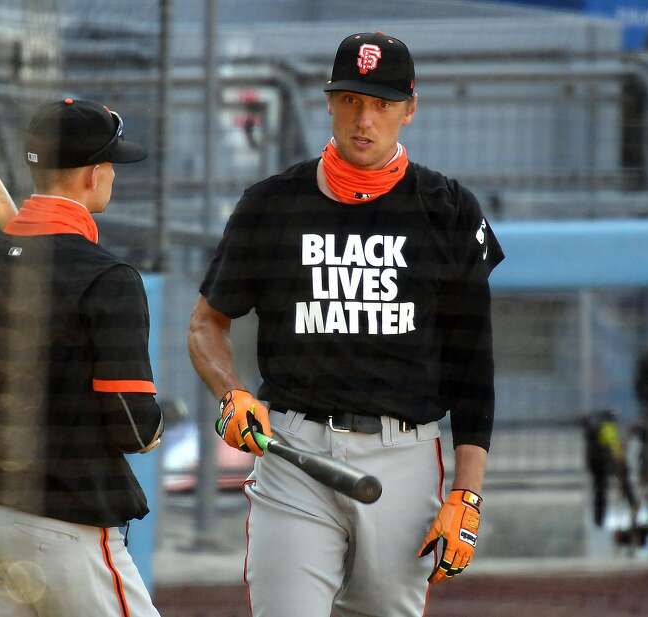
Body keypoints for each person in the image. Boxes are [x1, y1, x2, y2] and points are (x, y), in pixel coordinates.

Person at [188, 32, 504, 617]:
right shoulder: (271, 204)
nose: (365, 119)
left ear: (411, 109)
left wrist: (468, 493)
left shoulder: (448, 209)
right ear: (329, 102)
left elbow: (473, 364)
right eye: (352, 100)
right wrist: (231, 394)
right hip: (294, 450)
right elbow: (207, 323)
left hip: (405, 459)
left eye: (382, 104)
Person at [0, 98, 164, 617]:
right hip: (68, 529)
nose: (112, 175)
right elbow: (133, 427)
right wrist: (157, 427)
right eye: (110, 164)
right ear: (91, 174)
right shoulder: (108, 279)